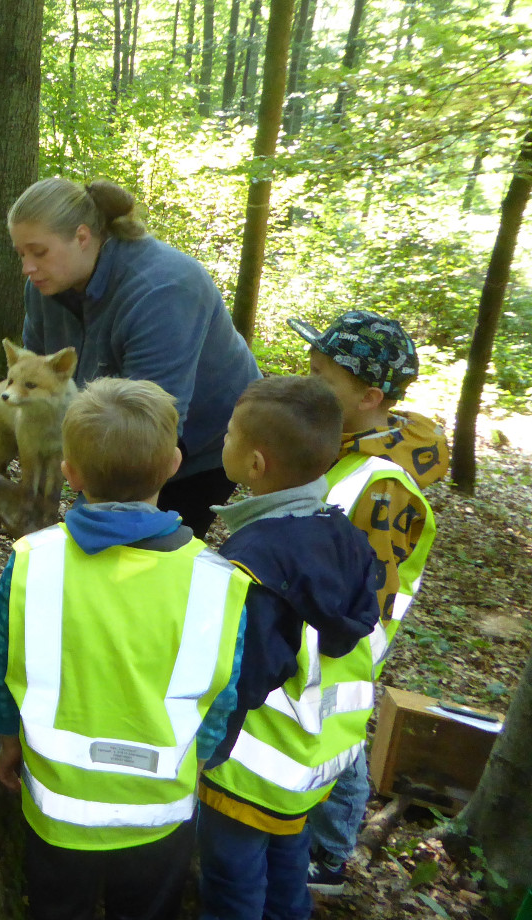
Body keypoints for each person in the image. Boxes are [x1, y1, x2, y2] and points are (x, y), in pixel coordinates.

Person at [0, 377, 250, 920]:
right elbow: (223, 693)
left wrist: (9, 741)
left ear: (69, 472)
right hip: (160, 814)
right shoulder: (218, 580)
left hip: (58, 808)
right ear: (174, 463)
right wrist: (198, 764)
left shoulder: (34, 560)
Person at [0, 177, 260, 538]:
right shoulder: (43, 289)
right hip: (127, 429)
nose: (27, 268)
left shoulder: (163, 290)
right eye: (21, 254)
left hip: (196, 446)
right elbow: (31, 385)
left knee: (137, 563)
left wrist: (75, 531)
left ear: (82, 237)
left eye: (39, 252)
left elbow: (151, 432)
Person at [196, 375, 381, 920]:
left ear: (255, 464)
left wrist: (201, 743)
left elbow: (244, 671)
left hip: (250, 765)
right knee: (286, 861)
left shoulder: (255, 559)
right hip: (313, 760)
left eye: (228, 434)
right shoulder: (341, 533)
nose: (221, 441)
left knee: (233, 881)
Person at [289, 310, 449, 894]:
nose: (308, 386)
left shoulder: (379, 482)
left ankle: (330, 856)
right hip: (318, 627)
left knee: (342, 738)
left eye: (322, 378)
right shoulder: (345, 450)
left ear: (369, 395)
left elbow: (369, 579)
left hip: (345, 639)